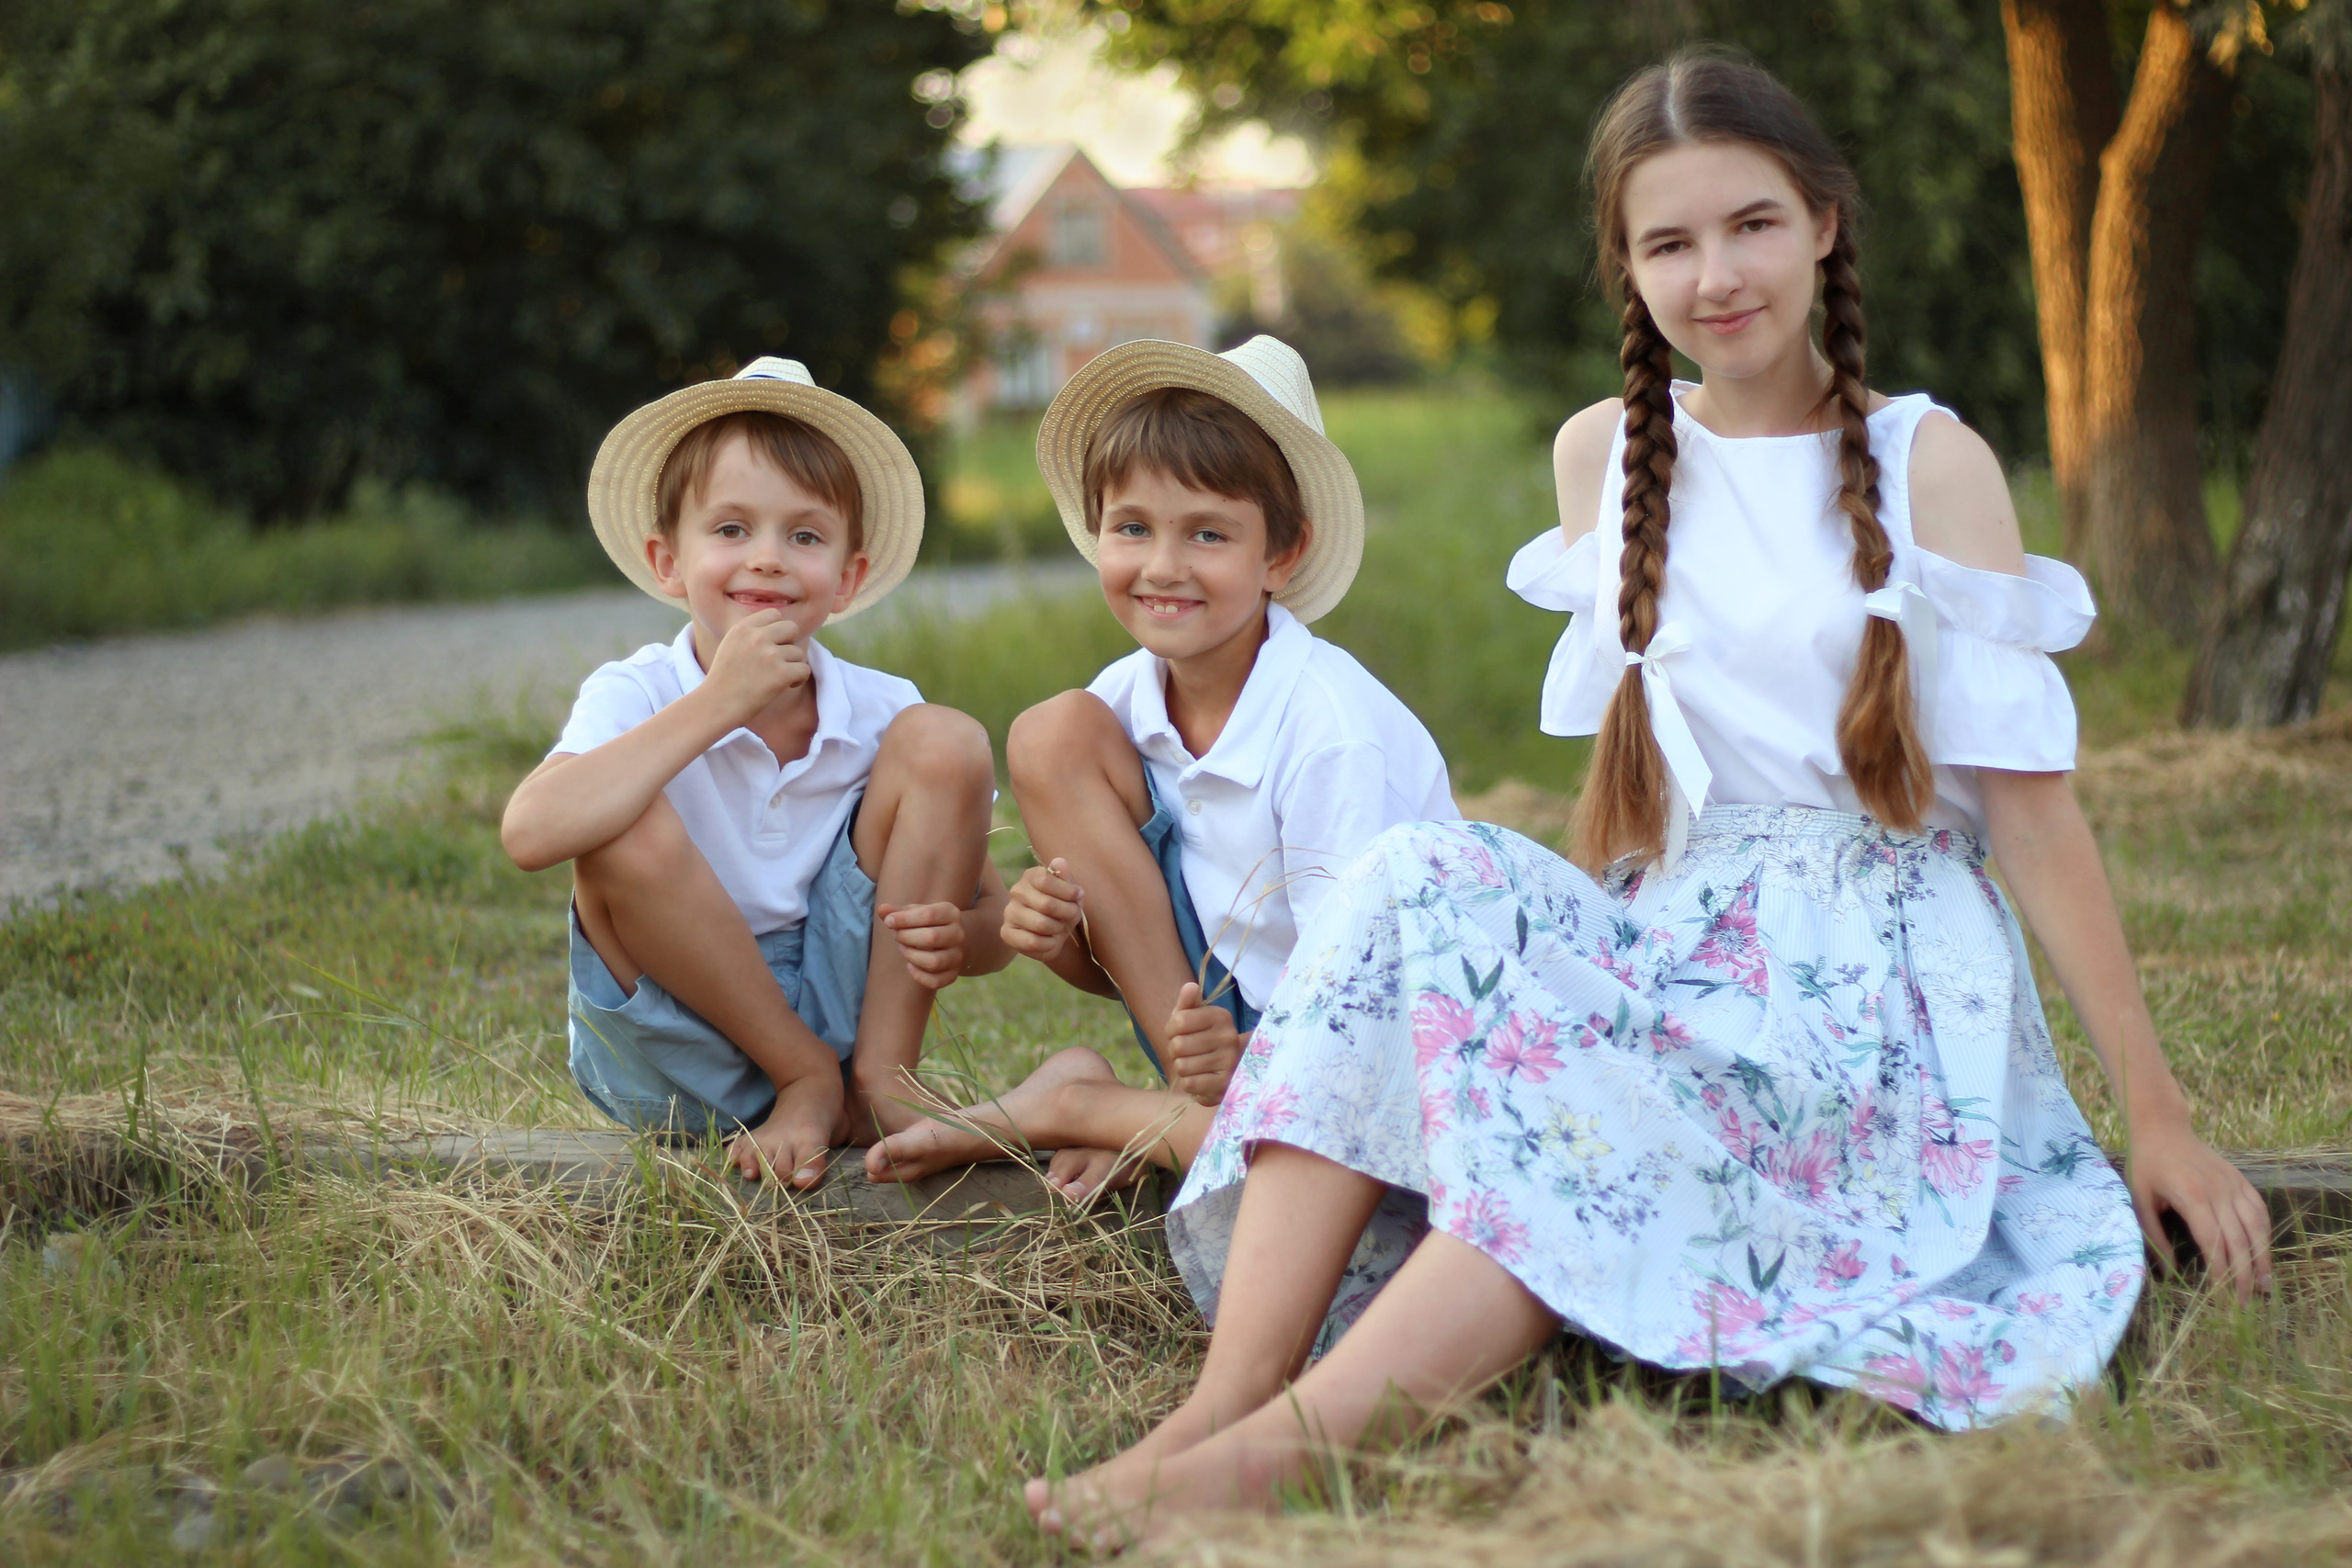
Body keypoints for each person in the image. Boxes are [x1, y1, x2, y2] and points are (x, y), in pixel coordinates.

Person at [1027, 52, 2277, 1545]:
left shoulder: (1927, 460)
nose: (1716, 274)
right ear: (1624, 265)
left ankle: (1285, 1458)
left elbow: (2038, 820)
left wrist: (2159, 1111)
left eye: (1750, 225)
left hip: (1869, 980)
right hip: (1675, 924)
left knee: (1583, 1123)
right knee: (1420, 875)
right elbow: (1624, 797)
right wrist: (1542, 973)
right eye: (1668, 243)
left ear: (1823, 223)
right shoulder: (1604, 457)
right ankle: (1224, 1395)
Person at [864, 337, 1456, 1200]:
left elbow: (1367, 1012)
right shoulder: (1123, 704)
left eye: (1208, 533)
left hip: (1369, 1037)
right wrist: (1058, 934)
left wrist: (1252, 1056)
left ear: (1281, 555)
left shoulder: (1334, 735)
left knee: (1337, 1171)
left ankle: (1086, 1107)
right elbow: (1124, 945)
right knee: (1049, 732)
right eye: (1132, 528)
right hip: (1203, 1033)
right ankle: (1177, 1110)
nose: (1163, 566)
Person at [501, 358, 1011, 1190]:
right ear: (669, 563)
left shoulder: (883, 709)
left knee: (946, 739)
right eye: (731, 530)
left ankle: (882, 1084)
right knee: (612, 816)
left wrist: (967, 939)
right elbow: (530, 833)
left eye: (804, 536)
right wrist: (717, 704)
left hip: (844, 1011)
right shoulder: (639, 690)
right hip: (671, 1048)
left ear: (847, 578)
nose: (767, 559)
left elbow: (986, 915)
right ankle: (804, 1078)